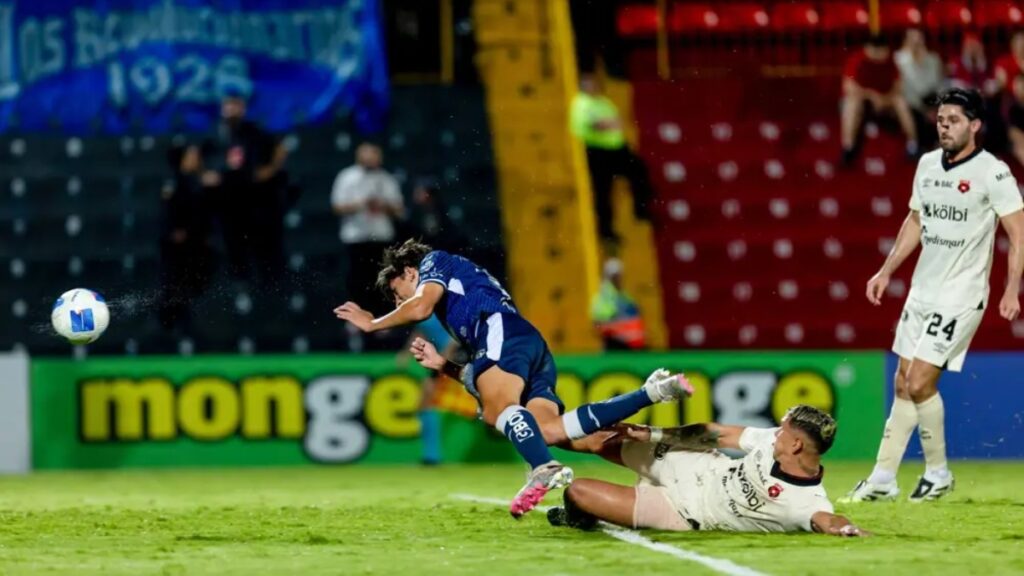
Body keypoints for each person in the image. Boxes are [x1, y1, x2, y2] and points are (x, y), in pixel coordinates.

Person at [334, 239, 693, 517]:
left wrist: (373, 323)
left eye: (399, 295)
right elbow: (487, 376)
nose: (402, 304)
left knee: (497, 411)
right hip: (526, 343)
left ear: (410, 272)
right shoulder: (455, 307)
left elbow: (420, 307)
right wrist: (444, 366)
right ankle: (652, 397)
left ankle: (542, 468)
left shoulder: (433, 263)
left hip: (503, 332)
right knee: (549, 430)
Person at [843, 88, 1024, 502]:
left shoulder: (992, 173)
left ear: (975, 125)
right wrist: (887, 270)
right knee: (903, 383)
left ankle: (938, 473)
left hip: (961, 295)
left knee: (921, 381)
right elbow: (915, 219)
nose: (944, 126)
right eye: (941, 119)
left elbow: (1018, 233)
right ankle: (883, 479)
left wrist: (1011, 287)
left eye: (954, 120)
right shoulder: (925, 165)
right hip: (922, 291)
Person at [546, 405, 869, 537]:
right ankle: (534, 431)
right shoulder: (773, 441)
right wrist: (655, 434)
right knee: (604, 437)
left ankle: (579, 518)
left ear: (797, 446)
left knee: (578, 492)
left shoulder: (805, 501)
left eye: (783, 431)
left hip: (684, 511)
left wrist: (847, 529)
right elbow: (717, 433)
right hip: (696, 465)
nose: (776, 432)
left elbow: (828, 519)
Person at [197, 93, 288, 288]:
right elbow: (197, 159)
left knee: (261, 246)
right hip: (225, 200)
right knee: (231, 245)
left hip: (254, 198)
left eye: (236, 105)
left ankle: (265, 288)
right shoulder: (213, 134)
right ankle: (237, 287)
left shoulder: (254, 132)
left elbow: (279, 150)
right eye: (228, 105)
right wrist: (205, 174)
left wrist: (270, 169)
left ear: (243, 108)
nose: (231, 110)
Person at [331, 143, 405, 343]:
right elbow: (337, 206)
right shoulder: (347, 177)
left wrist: (383, 205)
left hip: (381, 236)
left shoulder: (386, 179)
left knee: (383, 280)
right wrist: (360, 204)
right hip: (356, 236)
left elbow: (399, 210)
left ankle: (382, 319)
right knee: (357, 279)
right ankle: (354, 318)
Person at [570, 74, 654, 246]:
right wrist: (607, 125)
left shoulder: (602, 102)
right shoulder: (581, 104)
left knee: (639, 170)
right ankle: (606, 231)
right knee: (603, 192)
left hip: (617, 148)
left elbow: (619, 122)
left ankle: (640, 208)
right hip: (598, 152)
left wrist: (610, 125)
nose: (593, 86)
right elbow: (592, 125)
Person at [841, 34, 919, 165]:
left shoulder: (891, 62)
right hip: (862, 100)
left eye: (881, 51)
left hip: (885, 101)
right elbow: (848, 87)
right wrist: (871, 95)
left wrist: (884, 99)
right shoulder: (857, 60)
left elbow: (897, 88)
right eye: (874, 51)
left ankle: (912, 145)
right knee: (852, 103)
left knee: (900, 101)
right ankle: (848, 148)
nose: (878, 55)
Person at [396, 314, 459, 466]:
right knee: (426, 403)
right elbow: (421, 332)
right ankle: (431, 455)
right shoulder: (422, 310)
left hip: (454, 358)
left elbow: (456, 337)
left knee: (427, 402)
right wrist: (406, 353)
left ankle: (432, 455)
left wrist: (442, 362)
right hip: (442, 360)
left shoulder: (443, 307)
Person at [895, 29, 944, 150]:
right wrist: (924, 109)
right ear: (906, 41)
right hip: (912, 103)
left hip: (931, 102)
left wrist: (924, 63)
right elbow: (906, 89)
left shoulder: (933, 59)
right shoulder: (898, 60)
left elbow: (936, 85)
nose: (916, 43)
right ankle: (914, 144)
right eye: (912, 39)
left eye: (919, 39)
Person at [590, 258, 646, 350]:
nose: (618, 278)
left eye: (619, 275)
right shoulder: (602, 299)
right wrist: (619, 328)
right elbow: (597, 325)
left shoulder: (626, 297)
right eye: (615, 276)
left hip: (631, 346)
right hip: (614, 345)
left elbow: (636, 317)